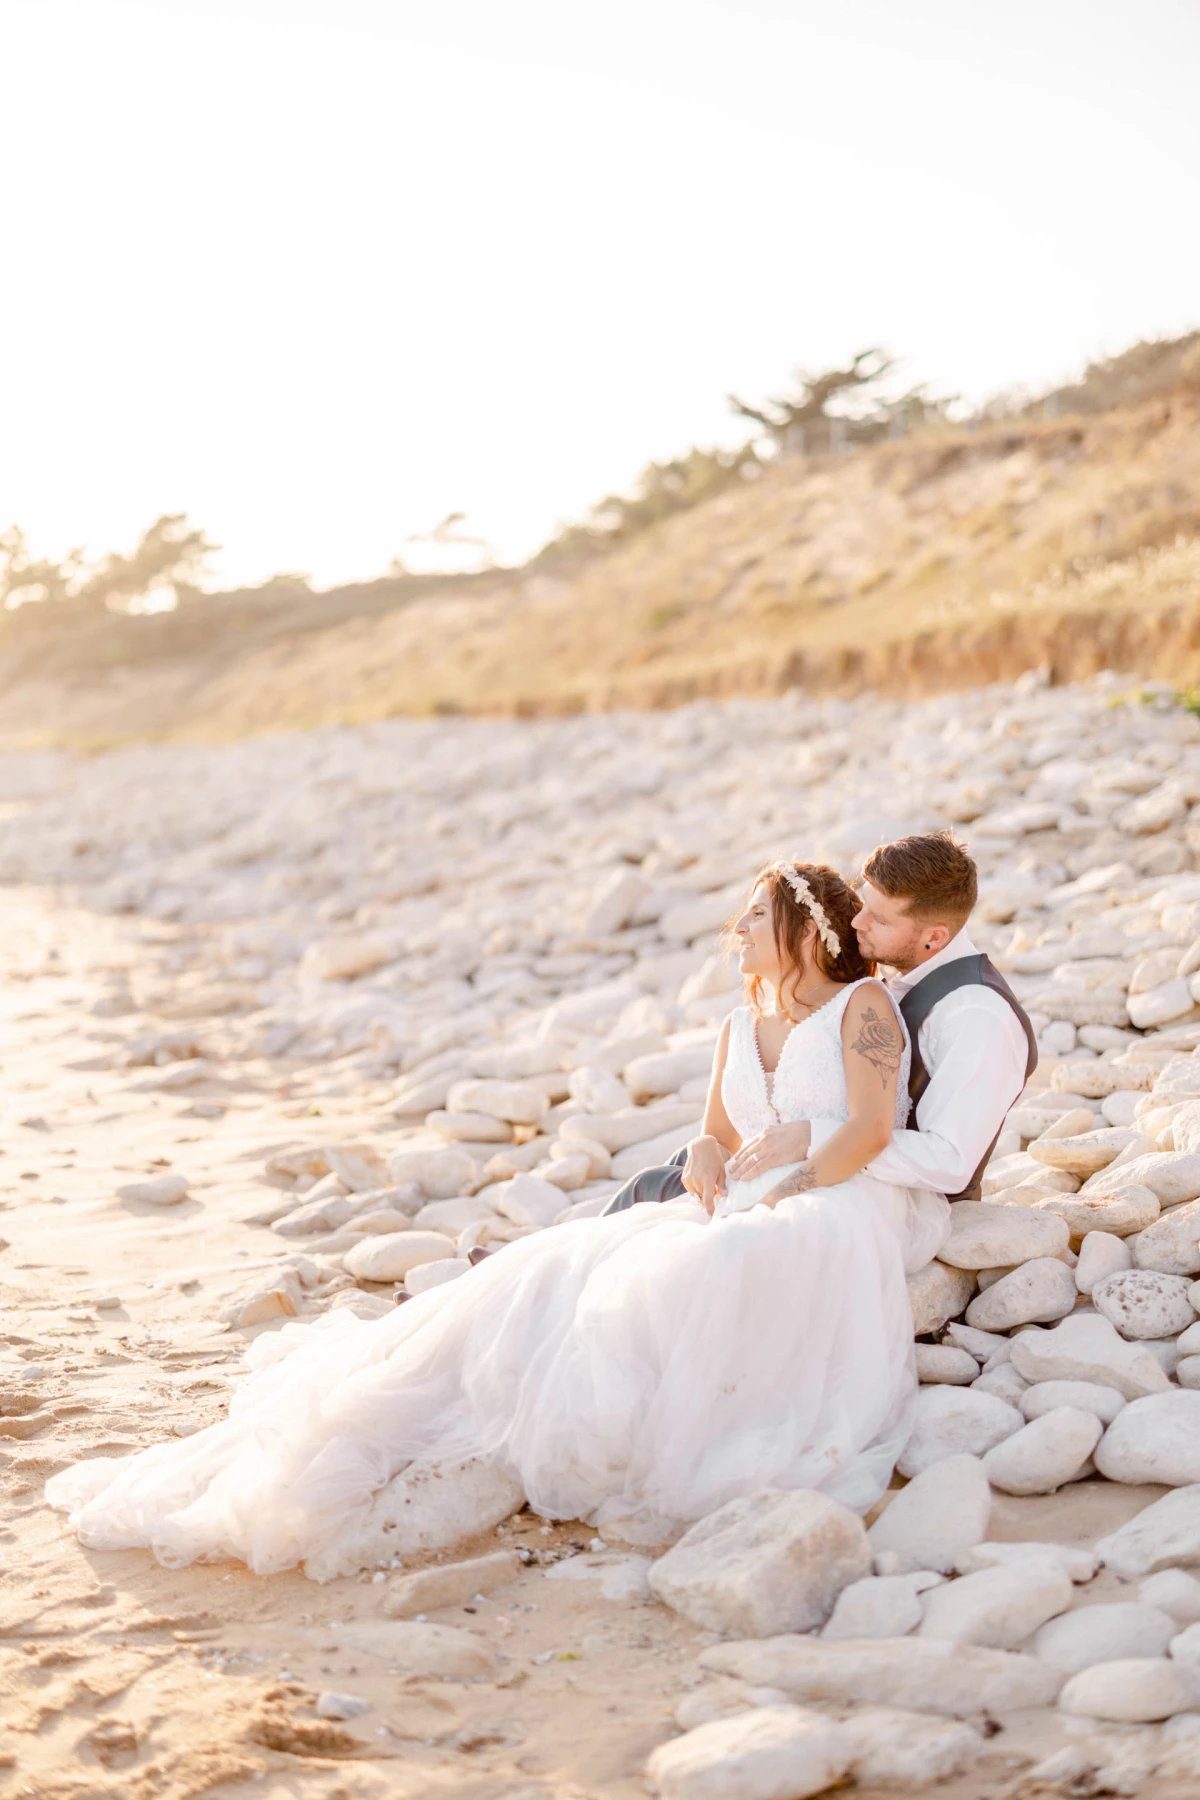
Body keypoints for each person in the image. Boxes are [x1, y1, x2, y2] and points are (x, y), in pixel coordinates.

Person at [47, 862, 948, 1576]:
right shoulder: (736, 1024)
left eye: (755, 916)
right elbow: (714, 1132)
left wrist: (794, 1174)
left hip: (838, 1199)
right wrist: (709, 1156)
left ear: (801, 929)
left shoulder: (859, 1009)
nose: (738, 931)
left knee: (686, 1272)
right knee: (558, 1263)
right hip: (751, 1194)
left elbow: (872, 1128)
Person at [606, 832, 1035, 1218]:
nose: (854, 923)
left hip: (868, 1199)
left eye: (879, 920)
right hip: (770, 1172)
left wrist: (812, 1141)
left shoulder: (977, 1016)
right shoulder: (882, 983)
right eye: (863, 904)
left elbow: (950, 1163)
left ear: (934, 938)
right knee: (641, 1197)